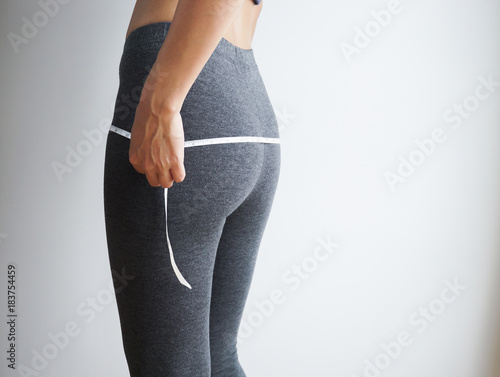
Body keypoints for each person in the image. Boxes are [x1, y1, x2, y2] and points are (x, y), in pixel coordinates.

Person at [103, 0, 280, 375]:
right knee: (219, 358)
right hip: (249, 110)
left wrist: (161, 104)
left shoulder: (167, 102)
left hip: (188, 109)